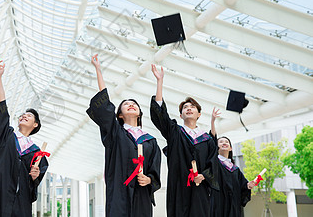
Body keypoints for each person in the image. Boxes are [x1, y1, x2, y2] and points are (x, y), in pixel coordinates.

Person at [86, 54, 161, 217]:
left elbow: (155, 172)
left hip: (142, 196)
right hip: (119, 194)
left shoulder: (151, 141)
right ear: (119, 115)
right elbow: (104, 106)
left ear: (140, 113)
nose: (131, 105)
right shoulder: (115, 133)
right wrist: (99, 70)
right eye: (126, 104)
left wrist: (149, 180)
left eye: (134, 104)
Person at [150, 64, 218, 217]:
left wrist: (204, 175)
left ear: (199, 114)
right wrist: (159, 82)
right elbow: (161, 116)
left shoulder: (207, 139)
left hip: (200, 188)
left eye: (192, 107)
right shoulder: (175, 132)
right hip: (179, 187)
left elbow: (213, 163)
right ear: (181, 115)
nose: (188, 108)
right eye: (185, 107)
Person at [0, 58, 48, 217]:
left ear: (35, 125)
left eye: (29, 116)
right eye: (22, 115)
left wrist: (35, 176)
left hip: (21, 200)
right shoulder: (6, 135)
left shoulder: (36, 153)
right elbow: (2, 108)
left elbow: (35, 181)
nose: (24, 116)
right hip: (2, 193)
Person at [210, 113, 256, 216]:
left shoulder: (235, 169)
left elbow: (243, 188)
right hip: (219, 205)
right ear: (216, 147)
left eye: (226, 142)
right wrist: (212, 121)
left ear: (230, 148)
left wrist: (248, 186)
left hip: (233, 208)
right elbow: (212, 141)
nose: (224, 143)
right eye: (220, 142)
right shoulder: (215, 163)